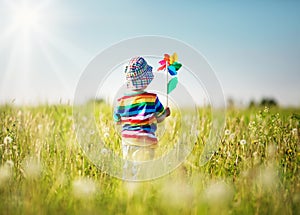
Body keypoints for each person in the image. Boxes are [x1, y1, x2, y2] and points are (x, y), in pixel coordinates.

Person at [113, 56, 170, 179]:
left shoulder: (122, 100)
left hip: (127, 141)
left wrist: (121, 120)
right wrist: (165, 113)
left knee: (128, 169)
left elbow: (116, 119)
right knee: (143, 173)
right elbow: (159, 118)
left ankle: (128, 191)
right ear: (146, 80)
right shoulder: (152, 99)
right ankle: (140, 194)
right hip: (145, 141)